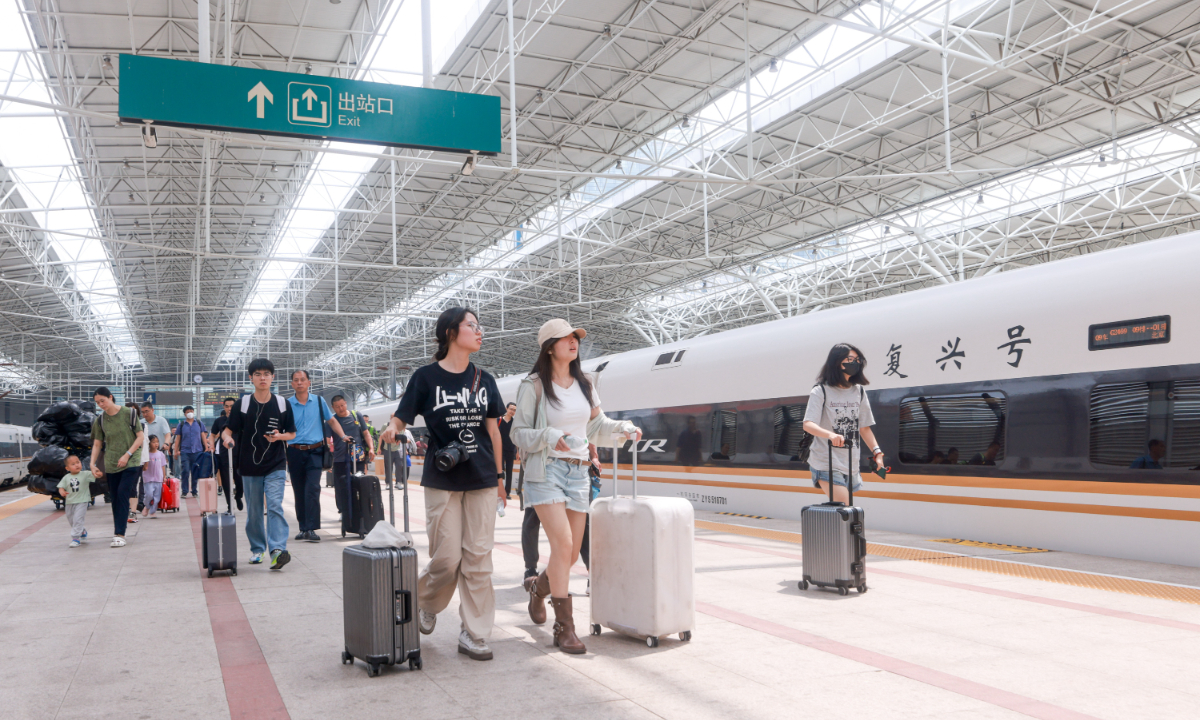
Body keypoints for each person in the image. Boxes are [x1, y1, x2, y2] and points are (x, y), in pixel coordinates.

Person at [379, 306, 505, 662]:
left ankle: (475, 632)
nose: (480, 332)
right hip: (442, 477)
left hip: (481, 476)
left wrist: (500, 479)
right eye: (472, 326)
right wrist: (393, 429)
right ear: (451, 332)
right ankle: (426, 601)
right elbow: (402, 417)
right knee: (447, 558)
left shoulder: (486, 379)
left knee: (478, 558)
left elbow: (494, 433)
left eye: (480, 326)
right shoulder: (425, 377)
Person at [511, 319, 640, 655]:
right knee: (564, 543)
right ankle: (564, 628)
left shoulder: (585, 383)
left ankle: (539, 589)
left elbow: (597, 426)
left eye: (575, 337)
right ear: (549, 347)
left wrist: (623, 428)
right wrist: (552, 436)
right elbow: (518, 433)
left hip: (580, 473)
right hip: (545, 471)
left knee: (567, 556)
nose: (573, 341)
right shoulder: (533, 385)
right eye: (565, 338)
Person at [222, 359, 297, 570]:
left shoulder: (283, 403)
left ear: (273, 377)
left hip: (276, 464)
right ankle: (257, 549)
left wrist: (279, 437)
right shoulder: (242, 404)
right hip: (249, 465)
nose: (262, 377)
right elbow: (228, 431)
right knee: (254, 511)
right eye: (257, 374)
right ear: (251, 378)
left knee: (274, 505)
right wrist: (227, 440)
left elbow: (291, 433)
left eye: (266, 374)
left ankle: (277, 550)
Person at [801, 344, 886, 505]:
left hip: (850, 462)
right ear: (837, 362)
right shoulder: (820, 391)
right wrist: (831, 435)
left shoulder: (859, 391)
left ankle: (825, 531)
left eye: (857, 360)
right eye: (850, 359)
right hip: (826, 461)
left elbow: (864, 428)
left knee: (844, 517)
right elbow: (808, 424)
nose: (855, 363)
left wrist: (878, 453)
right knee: (845, 510)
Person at [522, 444, 601, 581]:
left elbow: (588, 428)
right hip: (542, 464)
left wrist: (594, 456)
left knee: (583, 521)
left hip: (578, 467)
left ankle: (591, 572)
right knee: (532, 518)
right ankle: (531, 569)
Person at [89, 387, 144, 548]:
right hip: (112, 463)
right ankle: (118, 530)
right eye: (97, 403)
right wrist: (92, 464)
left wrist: (127, 454)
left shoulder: (129, 413)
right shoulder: (100, 420)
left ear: (111, 397)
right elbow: (97, 443)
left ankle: (119, 534)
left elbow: (140, 437)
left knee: (122, 493)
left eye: (103, 401)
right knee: (115, 498)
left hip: (131, 461)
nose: (100, 405)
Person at [287, 371, 336, 542]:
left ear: (309, 382)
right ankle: (303, 528)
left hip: (315, 451)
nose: (299, 383)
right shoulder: (287, 404)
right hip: (293, 451)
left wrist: (343, 436)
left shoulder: (319, 401)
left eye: (302, 380)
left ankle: (312, 528)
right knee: (299, 490)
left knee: (313, 489)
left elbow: (331, 421)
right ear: (292, 384)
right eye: (296, 380)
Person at [330, 394, 375, 536]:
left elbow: (366, 433)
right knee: (341, 486)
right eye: (337, 407)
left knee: (360, 484)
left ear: (346, 404)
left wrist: (371, 448)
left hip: (358, 457)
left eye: (342, 405)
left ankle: (362, 511)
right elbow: (327, 440)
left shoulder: (357, 416)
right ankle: (343, 511)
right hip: (339, 458)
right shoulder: (332, 420)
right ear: (333, 407)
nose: (340, 409)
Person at [209, 397, 244, 510]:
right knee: (226, 482)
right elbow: (212, 435)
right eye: (227, 406)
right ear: (224, 407)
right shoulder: (219, 421)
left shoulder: (242, 419)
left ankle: (238, 496)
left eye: (232, 406)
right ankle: (230, 505)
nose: (229, 408)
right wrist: (212, 446)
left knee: (240, 480)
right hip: (223, 455)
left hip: (239, 455)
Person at [173, 405, 208, 498]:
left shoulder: (199, 423)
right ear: (184, 414)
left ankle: (194, 490)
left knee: (195, 472)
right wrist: (175, 451)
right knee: (185, 471)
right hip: (185, 452)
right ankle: (184, 491)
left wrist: (206, 447)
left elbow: (203, 435)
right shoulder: (181, 425)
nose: (190, 413)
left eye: (191, 411)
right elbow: (178, 439)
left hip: (197, 451)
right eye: (187, 411)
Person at [58, 455, 93, 548]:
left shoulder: (85, 474)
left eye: (78, 462)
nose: (77, 465)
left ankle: (75, 538)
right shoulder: (66, 477)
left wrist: (98, 473)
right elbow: (61, 486)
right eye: (73, 464)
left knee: (78, 519)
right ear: (67, 468)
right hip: (69, 502)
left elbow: (95, 474)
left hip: (82, 501)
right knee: (72, 520)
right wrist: (61, 491)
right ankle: (82, 531)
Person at [141, 436, 168, 517]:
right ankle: (147, 506)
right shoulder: (146, 454)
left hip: (158, 478)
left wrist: (164, 476)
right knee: (148, 494)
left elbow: (163, 466)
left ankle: (152, 512)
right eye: (153, 442)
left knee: (157, 497)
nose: (156, 444)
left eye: (157, 442)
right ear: (149, 444)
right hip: (148, 478)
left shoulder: (161, 454)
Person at [498, 402, 518, 497]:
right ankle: (499, 490)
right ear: (506, 409)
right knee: (499, 470)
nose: (512, 411)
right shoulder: (499, 420)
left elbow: (516, 438)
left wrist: (517, 451)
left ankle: (507, 493)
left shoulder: (515, 423)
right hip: (499, 450)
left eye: (514, 410)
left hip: (510, 449)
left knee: (509, 471)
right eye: (511, 409)